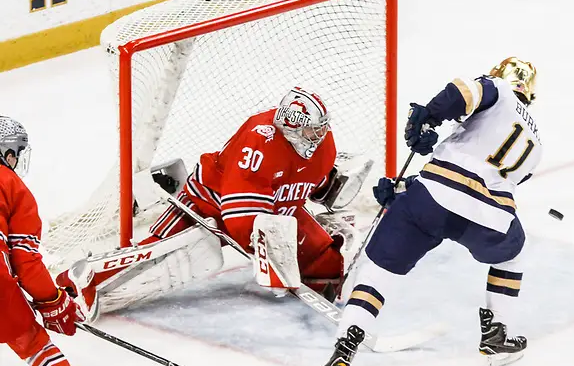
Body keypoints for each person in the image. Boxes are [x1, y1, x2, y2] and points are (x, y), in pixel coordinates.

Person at [314, 57, 542, 366]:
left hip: (430, 199)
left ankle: (345, 343)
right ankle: (497, 338)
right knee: (512, 257)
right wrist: (407, 186)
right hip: (489, 215)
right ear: (531, 95)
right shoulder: (537, 147)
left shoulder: (498, 89)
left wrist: (427, 117)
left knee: (380, 271)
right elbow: (476, 180)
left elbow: (463, 92)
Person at [58, 87, 369, 315]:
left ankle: (321, 283)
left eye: (321, 128)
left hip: (274, 211)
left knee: (324, 254)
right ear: (290, 126)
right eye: (311, 130)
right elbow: (239, 217)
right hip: (207, 201)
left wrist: (327, 186)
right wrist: (271, 252)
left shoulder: (323, 144)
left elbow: (309, 182)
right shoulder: (259, 141)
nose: (318, 137)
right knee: (158, 254)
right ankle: (78, 282)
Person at [0, 117, 92, 366]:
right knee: (31, 340)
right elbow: (26, 263)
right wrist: (53, 301)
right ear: (9, 154)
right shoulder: (11, 184)